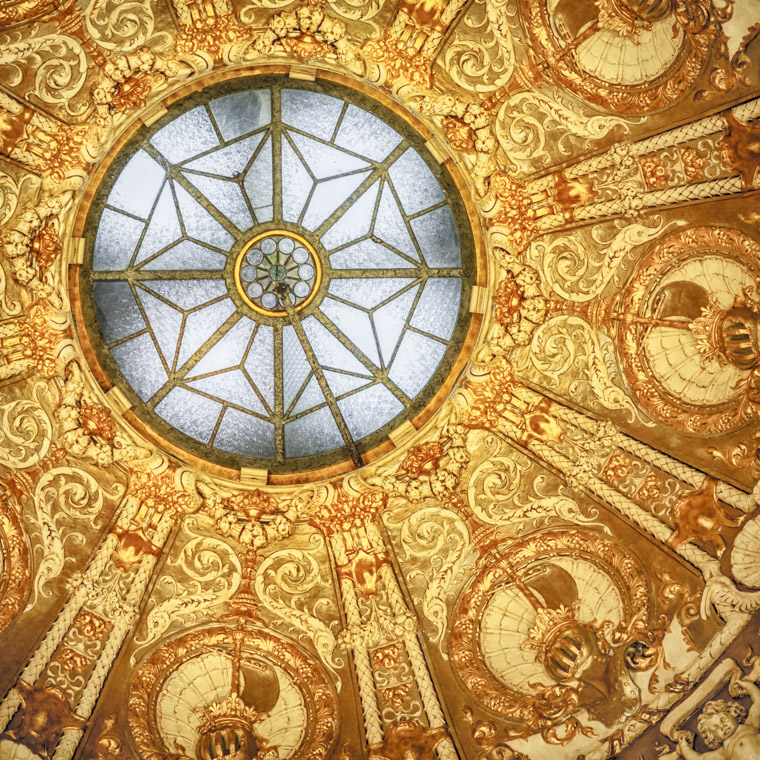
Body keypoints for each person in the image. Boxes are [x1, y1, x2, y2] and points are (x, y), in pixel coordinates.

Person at [678, 679, 760, 759]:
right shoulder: (723, 752)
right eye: (716, 729)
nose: (722, 726)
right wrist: (685, 747)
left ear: (732, 712)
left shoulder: (750, 725)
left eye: (723, 719)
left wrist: (748, 686)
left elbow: (758, 702)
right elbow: (701, 758)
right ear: (714, 738)